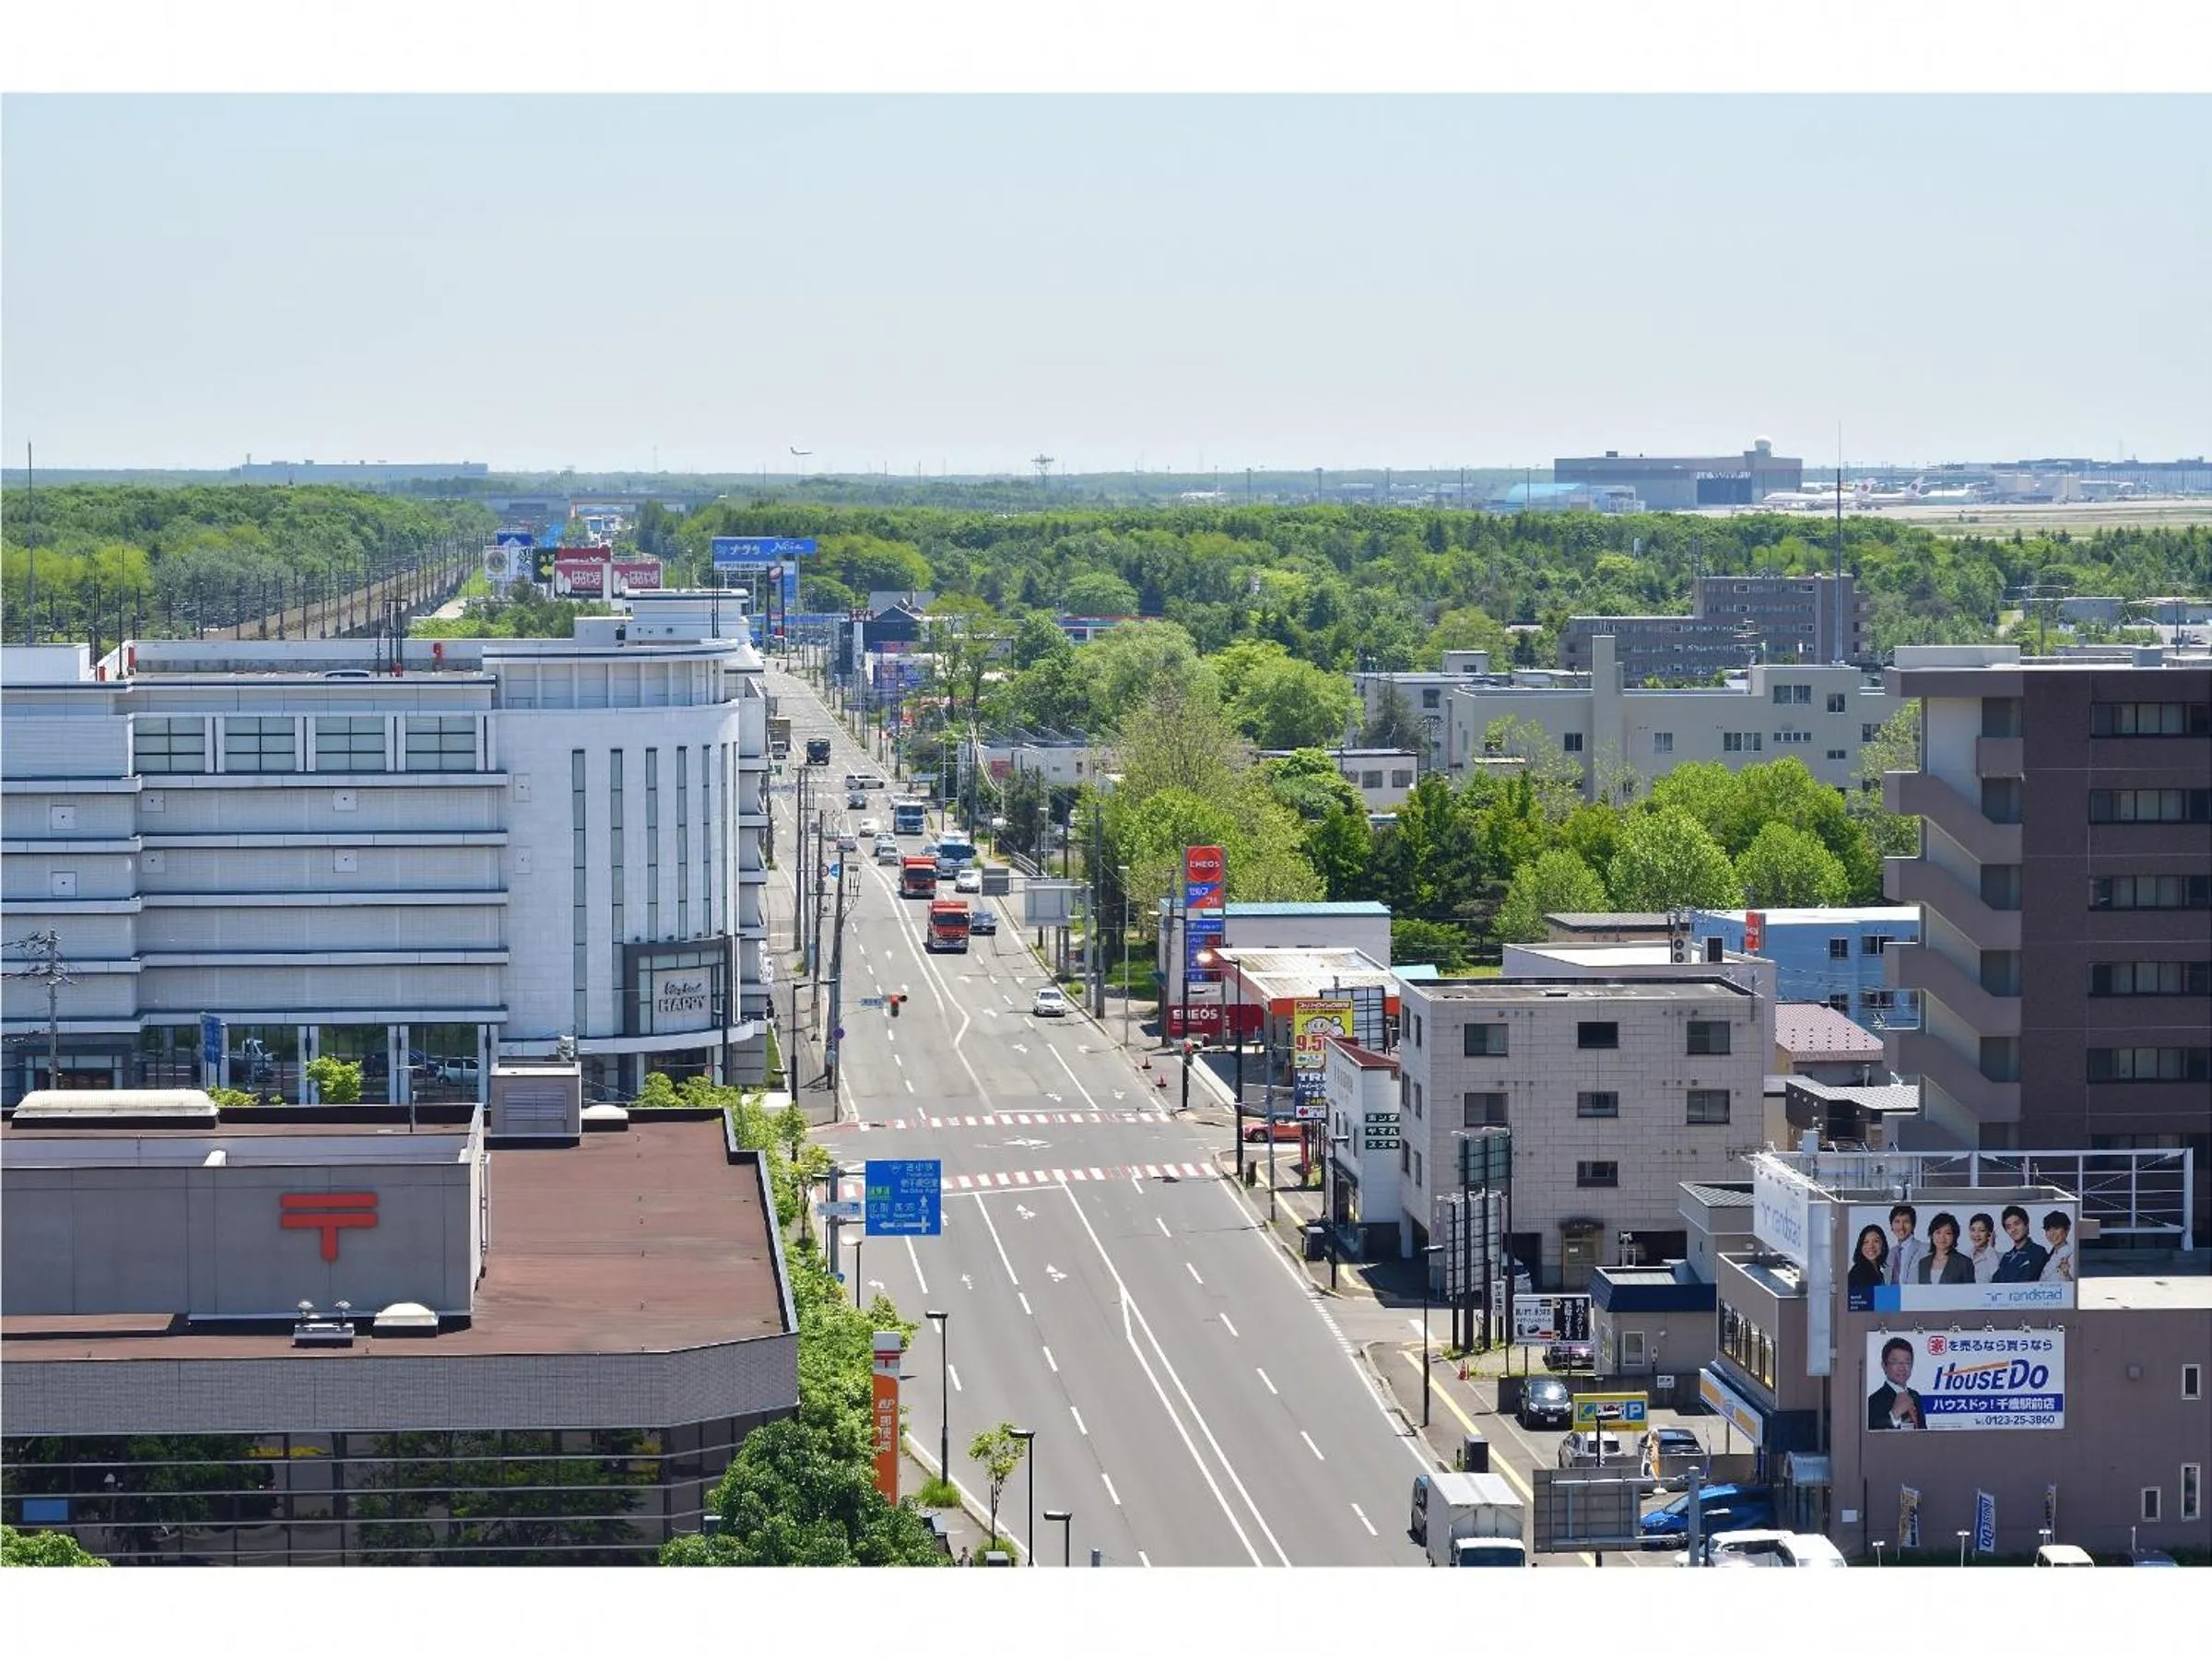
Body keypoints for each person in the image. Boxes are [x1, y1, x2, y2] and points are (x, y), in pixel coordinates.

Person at [1867, 1336, 1924, 1430]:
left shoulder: (1915, 1396)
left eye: (1907, 1362)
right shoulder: (1874, 1400)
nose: (1902, 1368)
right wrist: (1894, 1415)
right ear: (1884, 1366)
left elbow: (1924, 1432)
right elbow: (1872, 1435)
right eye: (1895, 1362)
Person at [1914, 1211, 1976, 1285]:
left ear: (1954, 1236)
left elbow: (1970, 1293)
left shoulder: (1964, 1263)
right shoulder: (1923, 1263)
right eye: (1938, 1232)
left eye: (1947, 1233)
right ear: (1931, 1235)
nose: (1942, 1237)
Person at [1993, 1204, 2051, 1282]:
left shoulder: (2038, 1252)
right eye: (2009, 1227)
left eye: (2016, 1224)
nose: (2013, 1229)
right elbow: (1994, 1282)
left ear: (2026, 1225)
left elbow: (2025, 1280)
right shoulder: (2006, 1257)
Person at [1847, 1224, 1888, 1311]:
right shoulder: (1859, 1272)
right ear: (1860, 1246)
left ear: (1883, 1244)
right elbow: (1861, 1306)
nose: (1871, 1246)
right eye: (1866, 1242)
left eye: (1876, 1241)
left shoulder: (1879, 1272)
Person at [1884, 1203, 1925, 1288]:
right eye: (1897, 1221)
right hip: (1892, 1299)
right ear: (1891, 1226)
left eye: (1906, 1222)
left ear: (1913, 1226)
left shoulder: (1925, 1249)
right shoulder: (1889, 1254)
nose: (1901, 1227)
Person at [2040, 1210, 2077, 1284]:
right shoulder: (2049, 1255)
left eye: (2056, 1228)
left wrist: (2066, 1274)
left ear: (2067, 1229)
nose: (2052, 1233)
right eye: (2048, 1230)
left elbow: (2074, 1289)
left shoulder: (2072, 1255)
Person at [1966, 1212, 2001, 1282]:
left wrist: (1990, 1250)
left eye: (1981, 1230)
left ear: (1990, 1234)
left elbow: (1998, 1280)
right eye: (1973, 1230)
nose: (1976, 1234)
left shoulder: (2000, 1258)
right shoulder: (1965, 1256)